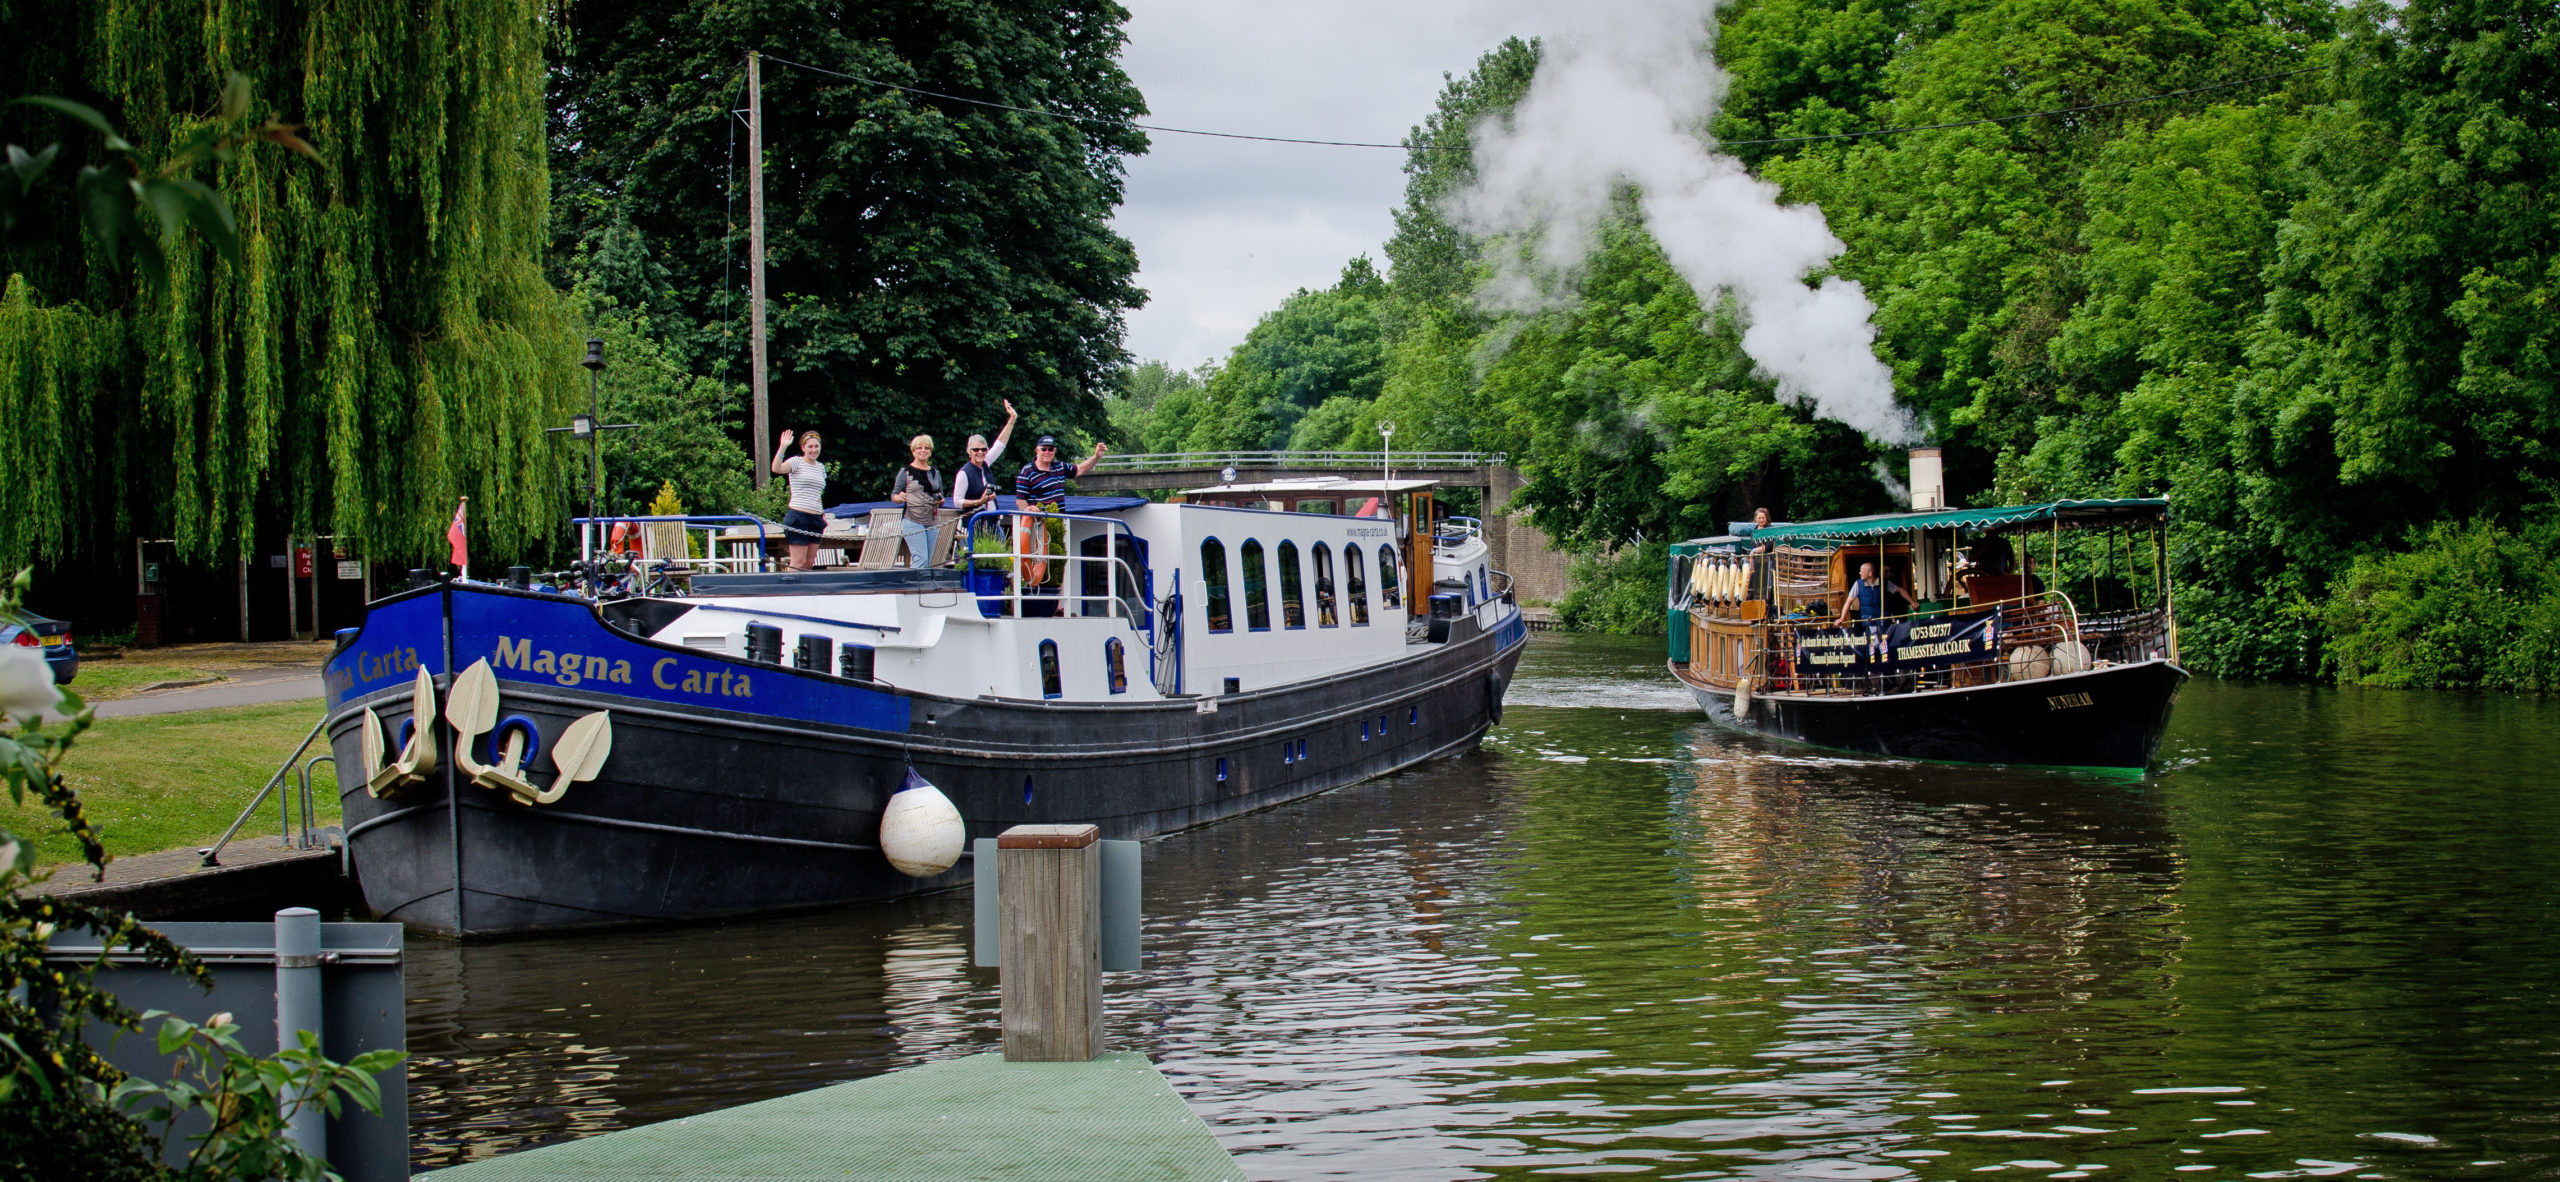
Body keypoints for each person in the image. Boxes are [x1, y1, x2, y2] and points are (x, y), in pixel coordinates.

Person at [1013, 435, 1107, 586]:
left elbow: (1079, 470)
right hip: (1038, 526)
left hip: (1059, 522)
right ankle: (1034, 593)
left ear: (1054, 451)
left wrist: (1096, 457)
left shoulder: (1059, 467)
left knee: (1058, 562)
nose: (1047, 452)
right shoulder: (1027, 471)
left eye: (1050, 449)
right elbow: (1020, 500)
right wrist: (1028, 512)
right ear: (1037, 450)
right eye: (1044, 449)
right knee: (1037, 560)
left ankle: (1058, 603)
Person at [769, 429, 827, 571]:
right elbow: (776, 469)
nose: (814, 450)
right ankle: (790, 590)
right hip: (798, 516)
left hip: (816, 518)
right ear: (803, 448)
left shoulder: (820, 467)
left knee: (809, 562)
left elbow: (817, 493)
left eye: (816, 446)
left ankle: (804, 592)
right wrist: (783, 446)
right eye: (810, 447)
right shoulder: (796, 462)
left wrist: (821, 513)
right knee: (798, 562)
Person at [950, 400, 1020, 514]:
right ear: (969, 452)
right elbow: (957, 501)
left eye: (983, 449)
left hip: (991, 518)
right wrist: (979, 501)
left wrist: (1012, 418)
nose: (980, 452)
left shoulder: (985, 463)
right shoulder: (964, 473)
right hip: (974, 520)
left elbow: (1000, 444)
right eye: (976, 449)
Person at [889, 435, 943, 569]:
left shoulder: (935, 473)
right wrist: (899, 497)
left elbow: (940, 495)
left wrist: (940, 500)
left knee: (928, 560)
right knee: (921, 558)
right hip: (912, 518)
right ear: (913, 451)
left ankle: (923, 587)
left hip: (932, 520)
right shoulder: (906, 472)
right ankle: (915, 587)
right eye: (919, 448)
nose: (923, 450)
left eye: (926, 448)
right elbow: (894, 495)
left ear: (930, 451)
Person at [1833, 560, 1915, 625]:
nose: (1860, 573)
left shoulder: (1884, 583)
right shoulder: (1858, 584)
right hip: (1867, 622)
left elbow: (1900, 590)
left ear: (1870, 573)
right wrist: (1842, 618)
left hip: (1884, 621)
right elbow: (1848, 601)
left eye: (1862, 571)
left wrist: (1912, 602)